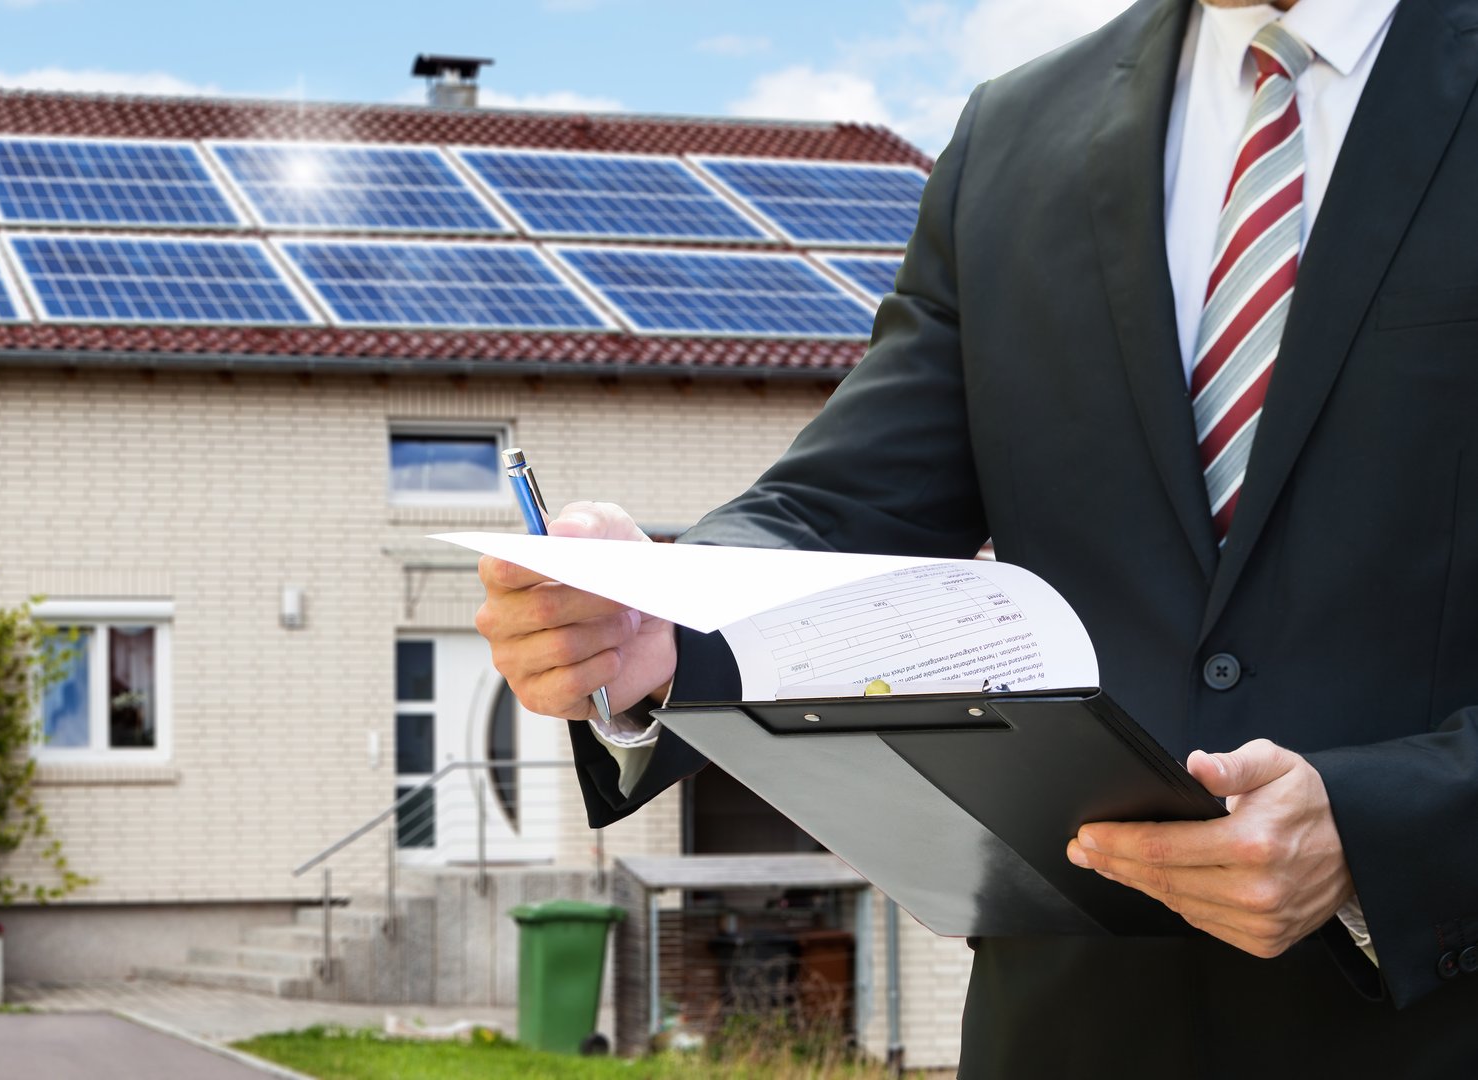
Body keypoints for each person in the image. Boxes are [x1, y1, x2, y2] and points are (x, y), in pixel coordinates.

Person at [476, 0, 1478, 1074]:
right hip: (1065, 1033)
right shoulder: (1015, 133)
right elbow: (845, 504)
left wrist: (1389, 834)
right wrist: (659, 622)